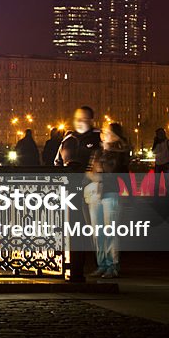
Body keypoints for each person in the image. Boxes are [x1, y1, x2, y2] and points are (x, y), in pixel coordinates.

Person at [55, 106, 102, 282]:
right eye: (77, 118)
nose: (80, 122)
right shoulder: (68, 138)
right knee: (71, 228)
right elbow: (57, 162)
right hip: (69, 190)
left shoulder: (98, 138)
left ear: (91, 120)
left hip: (90, 190)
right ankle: (74, 267)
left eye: (84, 119)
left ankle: (92, 265)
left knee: (87, 230)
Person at [86, 122, 132, 278]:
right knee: (97, 232)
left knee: (110, 230)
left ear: (116, 135)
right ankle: (102, 264)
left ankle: (113, 264)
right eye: (104, 131)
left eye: (108, 132)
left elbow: (116, 171)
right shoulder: (98, 151)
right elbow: (90, 171)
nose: (103, 134)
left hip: (111, 192)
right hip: (95, 193)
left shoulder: (120, 152)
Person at [151, 128, 169, 197]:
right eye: (158, 134)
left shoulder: (167, 142)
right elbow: (154, 152)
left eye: (161, 134)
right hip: (158, 164)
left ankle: (167, 197)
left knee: (167, 182)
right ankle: (156, 196)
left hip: (166, 164)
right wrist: (155, 142)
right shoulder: (157, 143)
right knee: (157, 182)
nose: (159, 136)